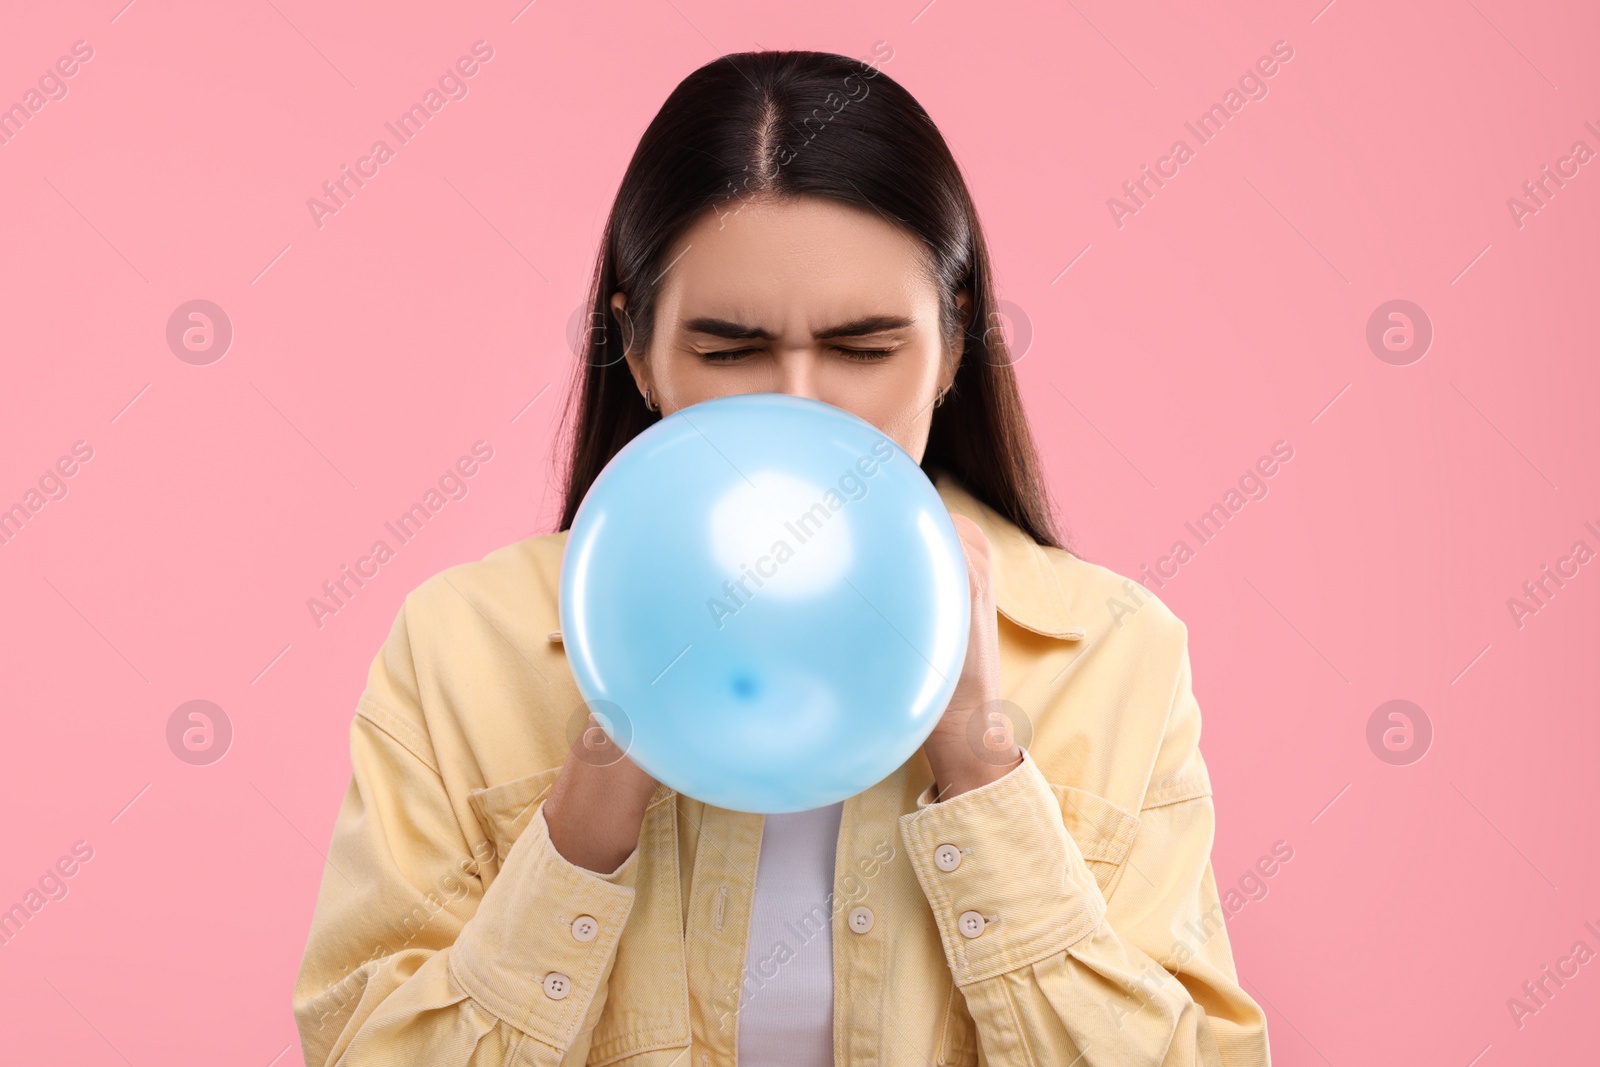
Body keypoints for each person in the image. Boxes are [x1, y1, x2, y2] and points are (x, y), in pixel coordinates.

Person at [293, 49, 1271, 1066]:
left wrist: (980, 762)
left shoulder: (1115, 657)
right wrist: (590, 807)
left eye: (862, 349)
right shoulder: (462, 645)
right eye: (728, 351)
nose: (799, 408)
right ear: (637, 352)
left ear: (952, 341)